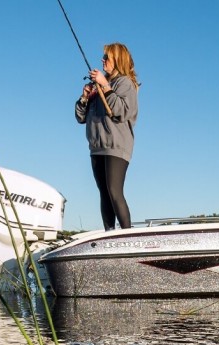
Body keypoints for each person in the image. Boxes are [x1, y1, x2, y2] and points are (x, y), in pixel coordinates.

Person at [75, 43, 141, 230]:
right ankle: (109, 234)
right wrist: (85, 98)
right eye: (103, 57)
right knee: (104, 193)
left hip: (117, 145)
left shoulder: (124, 83)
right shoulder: (98, 87)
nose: (102, 61)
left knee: (114, 190)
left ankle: (127, 233)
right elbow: (80, 117)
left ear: (117, 60)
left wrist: (105, 85)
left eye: (107, 58)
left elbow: (122, 111)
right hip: (97, 147)